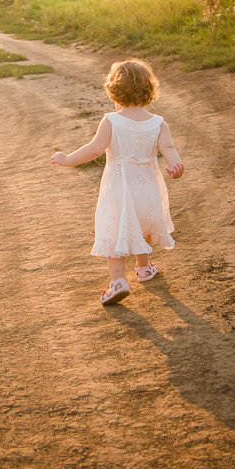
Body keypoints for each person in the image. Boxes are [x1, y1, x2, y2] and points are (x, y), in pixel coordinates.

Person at [51, 58, 184, 305]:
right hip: (147, 186)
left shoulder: (111, 121)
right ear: (149, 90)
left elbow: (93, 149)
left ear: (114, 91)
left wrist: (67, 159)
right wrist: (175, 166)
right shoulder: (158, 122)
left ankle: (117, 281)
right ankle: (143, 269)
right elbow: (169, 148)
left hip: (119, 187)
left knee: (115, 230)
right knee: (141, 225)